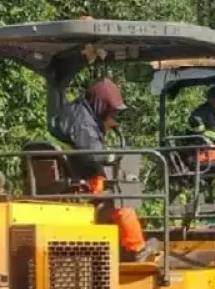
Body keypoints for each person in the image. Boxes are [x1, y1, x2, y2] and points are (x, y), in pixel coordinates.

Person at [49, 78, 153, 260]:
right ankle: (136, 249)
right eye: (110, 111)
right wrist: (111, 155)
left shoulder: (73, 114)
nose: (111, 115)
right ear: (101, 104)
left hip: (70, 179)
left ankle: (118, 245)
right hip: (82, 184)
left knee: (114, 192)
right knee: (122, 201)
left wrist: (104, 127)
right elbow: (93, 154)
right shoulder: (83, 123)